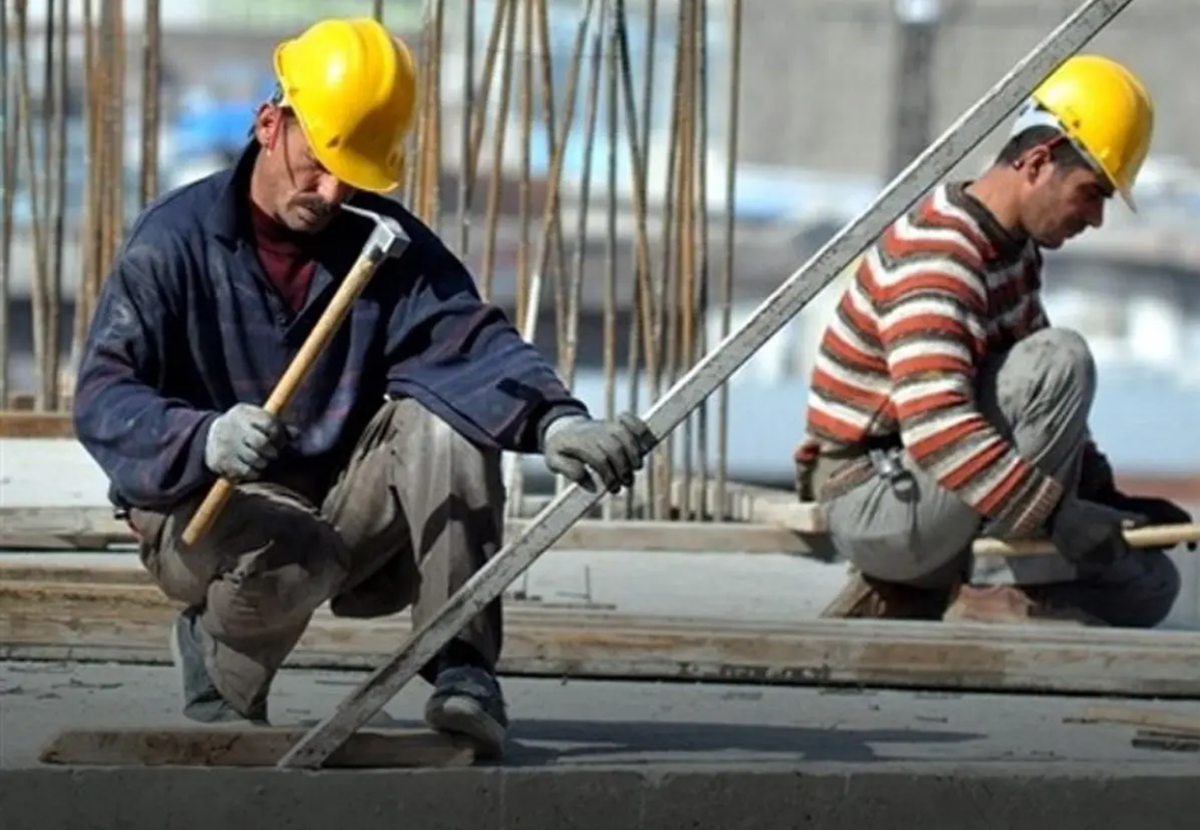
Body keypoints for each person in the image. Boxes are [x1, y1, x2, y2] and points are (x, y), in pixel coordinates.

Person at [71, 17, 652, 758]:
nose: (332, 188)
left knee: (448, 427)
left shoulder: (381, 241)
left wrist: (555, 423)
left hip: (341, 516)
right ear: (270, 123)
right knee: (290, 549)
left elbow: (468, 345)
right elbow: (103, 395)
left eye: (355, 173)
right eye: (318, 162)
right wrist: (202, 436)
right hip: (205, 519)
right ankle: (219, 655)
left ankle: (462, 664)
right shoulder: (172, 242)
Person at [794, 54, 1193, 627]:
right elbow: (936, 430)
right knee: (1060, 358)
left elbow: (1045, 417)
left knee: (1150, 586)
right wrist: (1060, 518)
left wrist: (1108, 498)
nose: (1097, 218)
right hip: (878, 501)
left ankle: (942, 591)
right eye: (1091, 192)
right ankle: (993, 590)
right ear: (1037, 163)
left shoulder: (1014, 251)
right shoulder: (939, 253)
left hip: (946, 499)